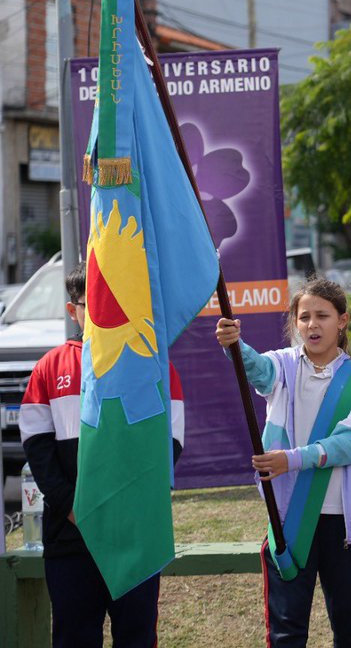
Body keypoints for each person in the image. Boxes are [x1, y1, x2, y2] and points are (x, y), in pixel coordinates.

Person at [19, 262, 183, 648]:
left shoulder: (154, 363)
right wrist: (72, 507)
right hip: (71, 535)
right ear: (71, 309)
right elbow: (37, 448)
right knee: (74, 637)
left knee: (137, 637)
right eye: (88, 303)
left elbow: (170, 442)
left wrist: (124, 505)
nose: (99, 311)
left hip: (135, 534)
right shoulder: (48, 368)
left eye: (108, 301)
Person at [214, 277, 351, 648]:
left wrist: (291, 460)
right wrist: (234, 344)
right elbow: (255, 368)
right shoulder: (282, 365)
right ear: (295, 322)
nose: (313, 325)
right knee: (286, 633)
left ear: (343, 320)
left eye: (323, 316)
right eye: (304, 317)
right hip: (288, 517)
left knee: (350, 630)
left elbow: (349, 444)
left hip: (343, 526)